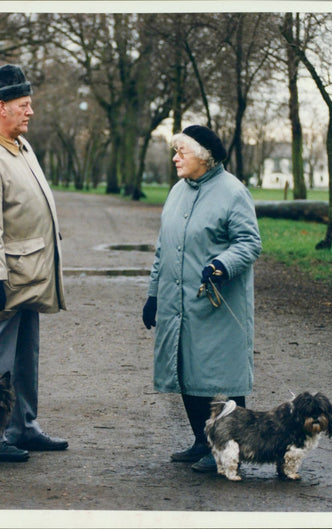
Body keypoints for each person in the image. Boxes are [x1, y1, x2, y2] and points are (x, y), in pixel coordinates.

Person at [0, 64, 68, 463]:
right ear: (0, 107)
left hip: (29, 273)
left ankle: (24, 426)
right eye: (24, 105)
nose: (31, 112)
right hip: (4, 277)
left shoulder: (20, 146)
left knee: (25, 357)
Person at [141, 125, 261, 473]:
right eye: (174, 151)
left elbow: (249, 243)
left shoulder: (233, 192)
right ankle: (202, 440)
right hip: (179, 302)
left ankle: (229, 450)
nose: (175, 158)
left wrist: (222, 263)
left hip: (217, 303)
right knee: (188, 370)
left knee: (222, 375)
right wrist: (153, 295)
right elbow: (164, 248)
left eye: (182, 152)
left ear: (204, 158)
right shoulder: (178, 190)